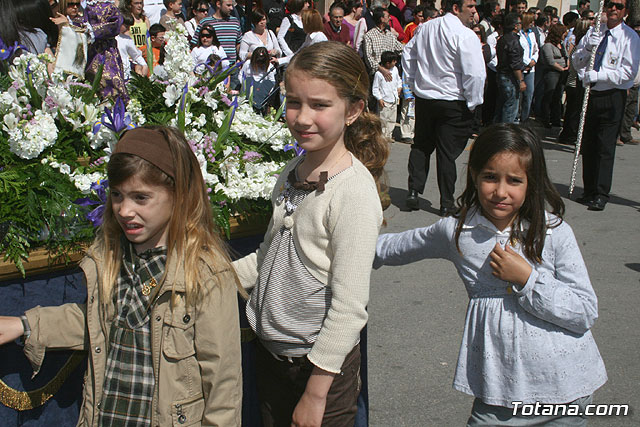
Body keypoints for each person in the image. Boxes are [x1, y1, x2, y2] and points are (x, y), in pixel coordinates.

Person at [0, 126, 243, 425]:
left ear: (178, 195)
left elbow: (223, 383)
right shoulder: (111, 256)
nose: (125, 210)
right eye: (117, 195)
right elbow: (99, 321)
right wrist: (25, 325)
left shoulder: (203, 273)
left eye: (141, 198)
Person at [375, 123, 607, 426]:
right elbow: (395, 247)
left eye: (514, 180)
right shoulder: (457, 231)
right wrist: (333, 244)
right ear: (473, 174)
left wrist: (528, 279)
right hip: (499, 395)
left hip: (565, 393)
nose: (500, 191)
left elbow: (585, 311)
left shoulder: (554, 232)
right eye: (489, 177)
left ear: (531, 183)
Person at [233, 41, 388, 427]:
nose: (302, 117)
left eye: (320, 105)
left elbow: (350, 308)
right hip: (272, 357)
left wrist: (317, 393)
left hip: (319, 371)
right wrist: (212, 274)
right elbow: (268, 255)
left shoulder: (352, 191)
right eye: (293, 102)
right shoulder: (292, 172)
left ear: (352, 110)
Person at [403, 0, 486, 215]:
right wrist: (473, 101)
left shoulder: (426, 28)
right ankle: (446, 201)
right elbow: (475, 73)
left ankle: (414, 191)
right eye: (470, 6)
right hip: (452, 101)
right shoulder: (465, 35)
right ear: (456, 8)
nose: (474, 11)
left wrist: (414, 83)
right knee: (446, 153)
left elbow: (408, 55)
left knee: (422, 145)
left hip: (427, 98)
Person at [572, 0, 640, 211]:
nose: (613, 9)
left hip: (612, 95)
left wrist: (599, 75)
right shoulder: (595, 32)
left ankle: (601, 193)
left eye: (619, 6)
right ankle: (589, 189)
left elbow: (627, 72)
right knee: (588, 143)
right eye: (610, 4)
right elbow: (576, 60)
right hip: (589, 94)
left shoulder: (629, 37)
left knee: (605, 146)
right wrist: (588, 48)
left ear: (625, 12)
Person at [495, 13, 525, 124]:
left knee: (502, 105)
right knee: (510, 107)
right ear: (515, 26)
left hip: (502, 75)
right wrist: (521, 81)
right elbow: (515, 63)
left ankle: (497, 130)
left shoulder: (503, 39)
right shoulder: (513, 40)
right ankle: (505, 133)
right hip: (509, 77)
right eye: (520, 23)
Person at [191, 0, 242, 65]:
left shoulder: (235, 22)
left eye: (231, 5)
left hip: (232, 67)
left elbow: (238, 44)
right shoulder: (205, 22)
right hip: (211, 68)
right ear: (218, 4)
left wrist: (239, 60)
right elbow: (195, 44)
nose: (231, 8)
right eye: (228, 5)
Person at [539, 24, 568, 128]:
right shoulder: (548, 46)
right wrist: (561, 69)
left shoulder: (561, 44)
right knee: (548, 96)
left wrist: (567, 66)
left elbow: (566, 56)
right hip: (552, 73)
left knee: (558, 97)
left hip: (562, 73)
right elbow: (550, 61)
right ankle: (545, 119)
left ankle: (556, 119)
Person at [373, 50, 402, 139]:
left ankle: (389, 134)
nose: (395, 63)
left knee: (392, 119)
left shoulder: (395, 70)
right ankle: (382, 136)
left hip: (393, 99)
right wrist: (379, 98)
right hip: (384, 100)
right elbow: (375, 88)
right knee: (383, 119)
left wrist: (399, 87)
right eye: (394, 61)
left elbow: (398, 80)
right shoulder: (379, 74)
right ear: (388, 63)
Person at [240, 46, 277, 110]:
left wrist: (267, 91)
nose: (259, 65)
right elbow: (241, 75)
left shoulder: (270, 67)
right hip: (248, 88)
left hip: (261, 91)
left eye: (262, 63)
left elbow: (272, 81)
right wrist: (244, 86)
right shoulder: (247, 64)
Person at [518, 11, 538, 123]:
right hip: (522, 68)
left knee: (529, 95)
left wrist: (533, 60)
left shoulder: (532, 34)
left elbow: (536, 49)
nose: (532, 24)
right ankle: (516, 117)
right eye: (530, 21)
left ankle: (524, 119)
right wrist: (527, 62)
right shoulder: (519, 35)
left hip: (531, 69)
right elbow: (519, 51)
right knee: (519, 95)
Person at [117, 11, 149, 79]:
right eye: (126, 26)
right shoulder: (110, 38)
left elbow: (136, 55)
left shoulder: (127, 39)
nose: (128, 29)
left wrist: (144, 65)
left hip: (125, 73)